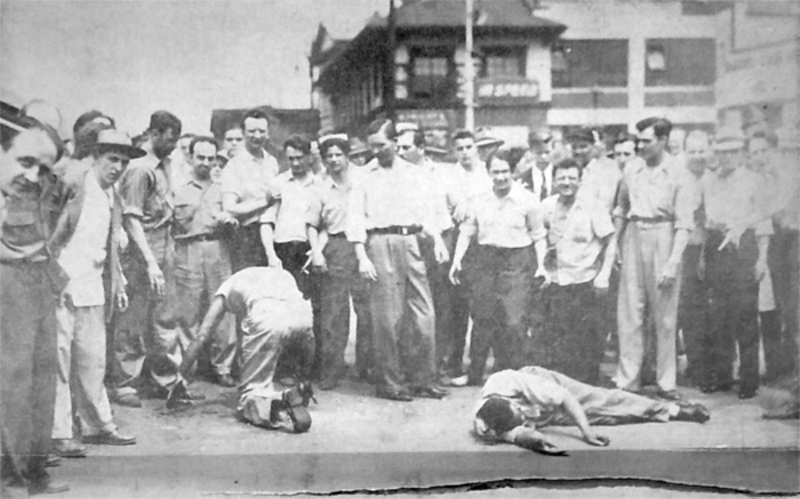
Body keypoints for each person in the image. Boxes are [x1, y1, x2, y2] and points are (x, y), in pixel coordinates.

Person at [50, 129, 141, 460]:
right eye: (112, 159)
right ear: (97, 157)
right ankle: (59, 433)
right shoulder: (75, 184)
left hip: (92, 287)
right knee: (59, 361)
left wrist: (116, 281)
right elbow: (52, 232)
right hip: (60, 285)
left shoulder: (112, 195)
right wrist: (50, 276)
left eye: (123, 162)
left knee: (93, 361)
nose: (117, 167)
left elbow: (110, 245)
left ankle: (98, 425)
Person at [347, 119, 449, 401]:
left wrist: (437, 239)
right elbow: (355, 217)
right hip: (379, 243)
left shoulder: (414, 174)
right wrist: (361, 256)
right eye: (372, 146)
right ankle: (389, 382)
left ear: (394, 142)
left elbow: (426, 211)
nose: (377, 151)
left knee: (424, 314)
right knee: (387, 319)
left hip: (412, 241)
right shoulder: (364, 175)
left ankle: (423, 378)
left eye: (381, 145)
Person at [0, 124, 70, 495]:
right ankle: (10, 478)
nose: (33, 176)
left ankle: (35, 473)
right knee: (11, 383)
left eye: (42, 169)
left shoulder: (35, 193)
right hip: (6, 285)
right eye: (25, 162)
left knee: (43, 381)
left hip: (38, 284)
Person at [612, 117, 699, 400]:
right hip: (634, 235)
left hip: (664, 237)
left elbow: (684, 224)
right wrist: (616, 241)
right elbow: (621, 208)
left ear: (663, 140)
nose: (640, 145)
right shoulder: (632, 168)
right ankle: (628, 380)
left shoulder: (679, 173)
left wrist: (673, 261)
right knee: (630, 313)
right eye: (639, 140)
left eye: (646, 140)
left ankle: (666, 383)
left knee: (664, 317)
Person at [175, 267, 314, 433]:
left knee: (248, 399)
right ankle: (295, 391)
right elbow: (309, 341)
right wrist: (305, 378)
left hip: (267, 316)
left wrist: (181, 376)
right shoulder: (280, 273)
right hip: (303, 315)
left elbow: (202, 336)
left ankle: (279, 400)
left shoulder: (226, 288)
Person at [449, 156, 548, 386]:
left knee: (514, 321)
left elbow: (539, 236)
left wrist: (541, 265)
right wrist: (457, 261)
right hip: (486, 261)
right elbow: (467, 231)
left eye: (505, 171)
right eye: (496, 172)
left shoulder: (528, 200)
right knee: (483, 317)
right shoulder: (479, 200)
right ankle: (475, 374)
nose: (501, 177)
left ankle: (513, 375)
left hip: (517, 262)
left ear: (512, 172)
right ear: (489, 173)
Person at [110, 110, 184, 408]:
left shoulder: (165, 165)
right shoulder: (140, 169)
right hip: (142, 252)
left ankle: (164, 379)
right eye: (169, 139)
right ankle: (124, 382)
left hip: (165, 246)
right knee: (133, 319)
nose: (174, 145)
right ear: (154, 133)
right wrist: (150, 261)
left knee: (164, 317)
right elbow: (131, 218)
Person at [473, 366, 710, 454]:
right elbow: (518, 435)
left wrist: (585, 433)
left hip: (549, 387)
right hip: (543, 413)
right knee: (607, 419)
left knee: (604, 401)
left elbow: (565, 396)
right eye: (519, 419)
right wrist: (537, 441)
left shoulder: (508, 381)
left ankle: (676, 410)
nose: (522, 419)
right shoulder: (488, 424)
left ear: (509, 399)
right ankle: (660, 414)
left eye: (519, 412)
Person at [701, 127, 773, 399]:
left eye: (732, 152)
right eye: (722, 153)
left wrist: (762, 259)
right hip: (718, 249)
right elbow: (706, 219)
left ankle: (748, 380)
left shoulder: (754, 180)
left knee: (745, 317)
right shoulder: (710, 181)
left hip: (745, 251)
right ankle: (722, 375)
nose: (726, 157)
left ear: (741, 154)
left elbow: (763, 223)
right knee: (720, 316)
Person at [167, 136, 238, 387]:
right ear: (190, 157)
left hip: (218, 248)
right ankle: (187, 369)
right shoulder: (178, 188)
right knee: (188, 311)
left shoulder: (224, 188)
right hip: (188, 249)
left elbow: (235, 220)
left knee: (223, 309)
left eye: (211, 158)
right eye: (201, 157)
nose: (206, 163)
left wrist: (229, 222)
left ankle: (223, 367)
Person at [537, 158, 616, 384]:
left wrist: (604, 274)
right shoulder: (547, 206)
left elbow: (611, 241)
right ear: (554, 180)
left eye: (572, 178)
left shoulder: (593, 206)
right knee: (557, 339)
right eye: (561, 178)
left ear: (580, 180)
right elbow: (539, 236)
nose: (567, 182)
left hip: (584, 281)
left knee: (585, 341)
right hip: (556, 282)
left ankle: (586, 385)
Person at [307, 134, 373, 389]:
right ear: (323, 160)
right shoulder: (321, 188)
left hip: (365, 247)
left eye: (338, 155)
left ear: (347, 156)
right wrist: (317, 252)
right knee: (334, 313)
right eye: (328, 156)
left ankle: (366, 367)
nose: (334, 160)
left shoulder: (364, 180)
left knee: (367, 310)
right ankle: (331, 371)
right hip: (335, 246)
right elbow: (313, 224)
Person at [395, 124, 458, 385]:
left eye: (406, 147)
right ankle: (412, 367)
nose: (401, 152)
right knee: (410, 307)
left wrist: (445, 240)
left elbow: (453, 206)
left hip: (438, 243)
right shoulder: (396, 175)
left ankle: (436, 367)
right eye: (398, 147)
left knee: (439, 306)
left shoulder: (440, 173)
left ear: (421, 149)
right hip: (410, 242)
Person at [435, 130, 493, 385]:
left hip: (485, 243)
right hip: (458, 241)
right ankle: (453, 362)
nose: (465, 152)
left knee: (482, 307)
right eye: (460, 148)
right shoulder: (448, 177)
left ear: (476, 148)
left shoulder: (488, 173)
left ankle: (479, 364)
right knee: (455, 308)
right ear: (454, 151)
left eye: (469, 147)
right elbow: (447, 210)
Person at [261, 135, 322, 377]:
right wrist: (270, 255)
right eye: (291, 159)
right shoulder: (278, 184)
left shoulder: (319, 185)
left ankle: (307, 369)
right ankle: (284, 368)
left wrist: (317, 251)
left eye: (300, 158)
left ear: (309, 157)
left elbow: (322, 223)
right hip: (283, 251)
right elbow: (266, 222)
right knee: (283, 311)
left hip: (308, 251)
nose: (295, 164)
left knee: (308, 311)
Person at [220, 109, 280, 271]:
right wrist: (264, 202)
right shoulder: (234, 166)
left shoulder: (272, 162)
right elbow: (229, 207)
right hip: (247, 237)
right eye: (252, 131)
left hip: (274, 232)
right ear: (244, 133)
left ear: (268, 133)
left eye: (262, 131)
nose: (257, 136)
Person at [678, 130, 713, 391]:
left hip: (714, 250)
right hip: (687, 252)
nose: (698, 156)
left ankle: (714, 366)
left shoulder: (714, 178)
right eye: (693, 151)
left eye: (702, 151)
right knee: (690, 311)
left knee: (713, 312)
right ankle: (696, 365)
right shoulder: (680, 179)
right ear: (685, 153)